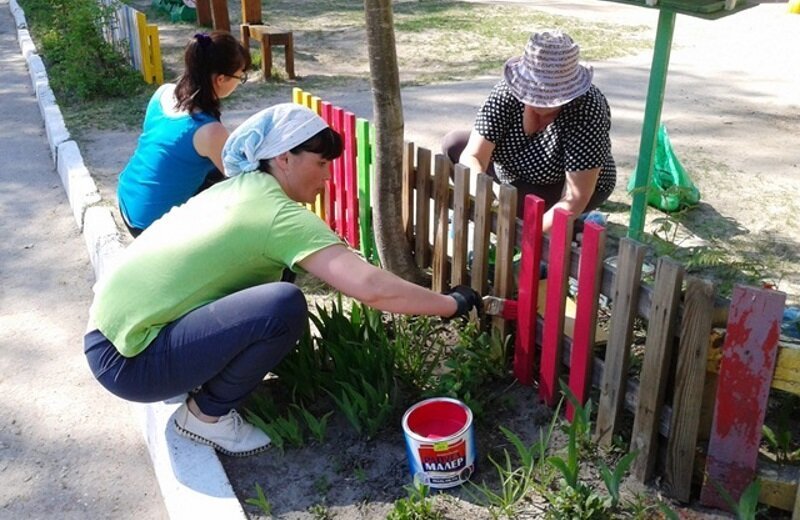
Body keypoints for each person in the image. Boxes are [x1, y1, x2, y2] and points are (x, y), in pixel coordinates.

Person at [84, 103, 482, 457]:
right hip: (129, 363)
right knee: (282, 305)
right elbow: (371, 288)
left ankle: (191, 382)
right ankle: (206, 417)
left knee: (278, 282)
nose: (327, 177)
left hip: (111, 332)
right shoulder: (278, 216)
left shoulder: (239, 189)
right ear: (284, 158)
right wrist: (452, 303)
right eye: (321, 163)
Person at [442, 30, 616, 233]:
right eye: (535, 100)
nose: (541, 111)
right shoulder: (506, 94)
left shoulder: (587, 107)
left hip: (559, 183)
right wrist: (485, 195)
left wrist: (528, 237)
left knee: (522, 209)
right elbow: (472, 156)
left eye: (551, 103)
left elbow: (575, 196)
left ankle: (567, 224)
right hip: (510, 176)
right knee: (453, 143)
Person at [117, 31, 251, 237]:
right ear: (221, 79)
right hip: (149, 226)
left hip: (127, 198)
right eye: (240, 76)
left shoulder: (163, 93)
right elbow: (245, 184)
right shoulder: (209, 131)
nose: (240, 81)